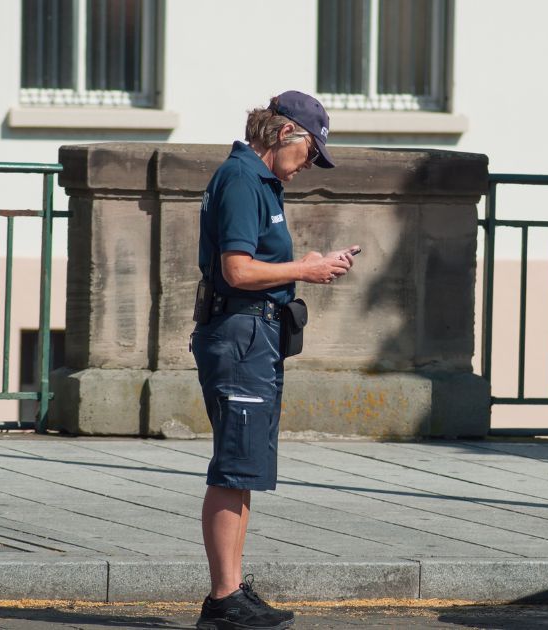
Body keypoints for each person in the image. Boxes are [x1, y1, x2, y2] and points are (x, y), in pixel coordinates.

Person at [191, 90, 356, 630]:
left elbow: (256, 264)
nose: (309, 164)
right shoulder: (243, 180)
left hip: (253, 335)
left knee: (245, 469)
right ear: (286, 133)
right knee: (232, 467)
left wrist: (305, 262)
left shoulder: (259, 182)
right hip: (240, 333)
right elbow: (236, 271)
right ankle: (222, 599)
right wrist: (304, 271)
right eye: (311, 151)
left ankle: (231, 591)